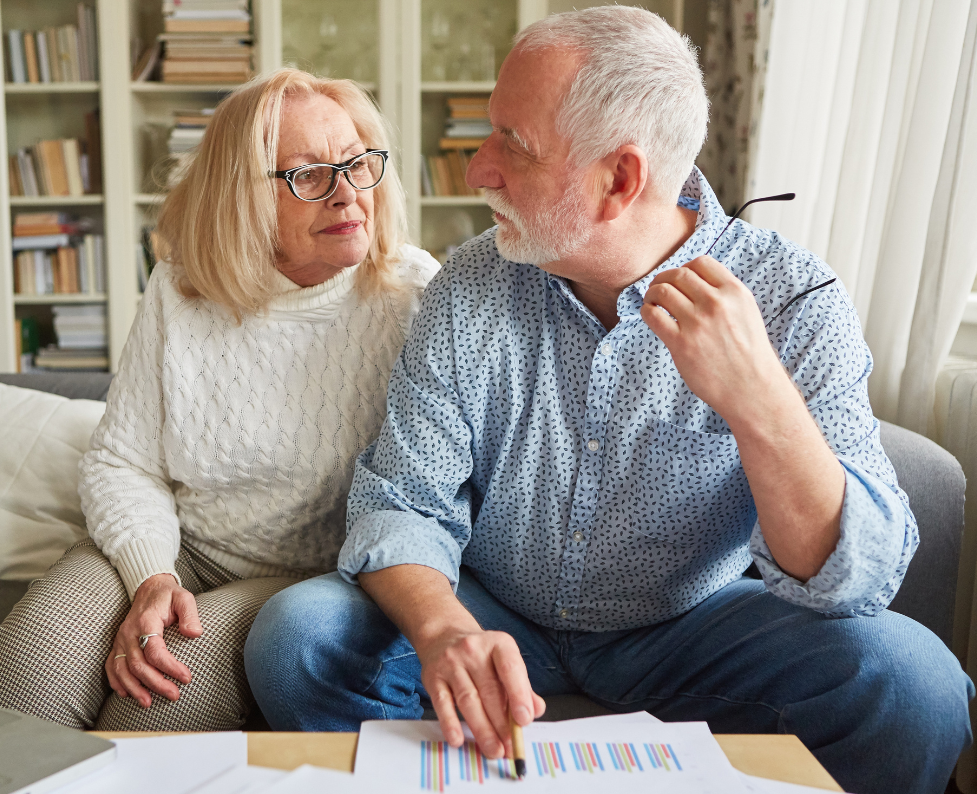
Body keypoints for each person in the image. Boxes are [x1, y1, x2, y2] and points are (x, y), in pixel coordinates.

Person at [243, 9, 974, 794]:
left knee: (914, 686)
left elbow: (853, 582)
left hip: (695, 624)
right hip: (497, 608)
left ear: (619, 179)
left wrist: (758, 399)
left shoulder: (792, 299)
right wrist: (445, 628)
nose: (475, 169)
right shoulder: (467, 287)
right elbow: (402, 502)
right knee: (298, 639)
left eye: (511, 145)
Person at [0, 68, 439, 732]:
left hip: (308, 580)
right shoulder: (180, 287)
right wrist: (151, 577)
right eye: (307, 175)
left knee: (150, 702)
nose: (346, 194)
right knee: (24, 676)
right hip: (181, 547)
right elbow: (123, 462)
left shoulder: (416, 296)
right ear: (241, 196)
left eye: (357, 163)